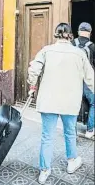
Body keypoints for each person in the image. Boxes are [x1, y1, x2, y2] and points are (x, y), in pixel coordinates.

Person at [27, 23, 94, 185]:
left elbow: (33, 69)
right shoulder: (79, 53)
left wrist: (32, 85)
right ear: (70, 35)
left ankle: (44, 171)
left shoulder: (46, 50)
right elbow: (90, 77)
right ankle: (72, 162)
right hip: (69, 101)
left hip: (48, 100)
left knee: (47, 136)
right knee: (70, 132)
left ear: (56, 34)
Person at [72, 22, 95, 139]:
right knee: (93, 103)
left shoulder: (71, 44)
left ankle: (72, 133)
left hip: (73, 80)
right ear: (90, 33)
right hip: (87, 81)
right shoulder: (92, 47)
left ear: (78, 31)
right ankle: (90, 131)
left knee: (73, 105)